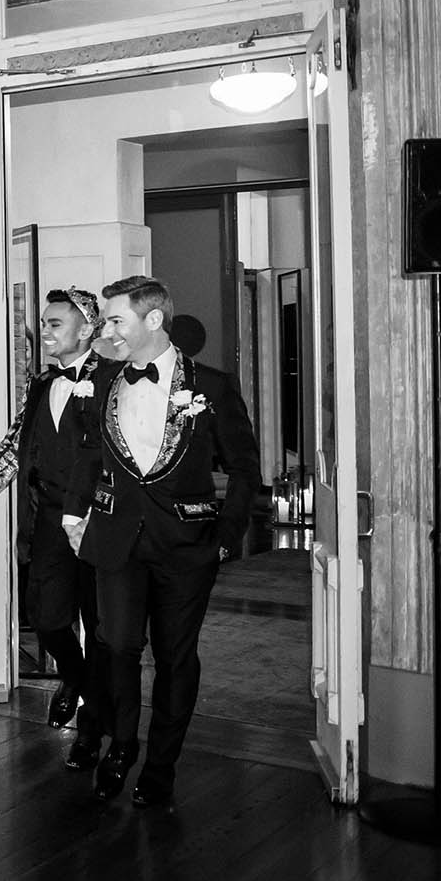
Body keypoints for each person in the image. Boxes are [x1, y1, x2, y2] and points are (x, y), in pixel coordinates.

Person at [65, 275, 259, 809]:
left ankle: (161, 765)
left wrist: (225, 536)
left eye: (114, 320)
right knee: (117, 647)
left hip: (187, 546)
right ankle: (122, 746)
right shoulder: (101, 379)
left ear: (153, 320)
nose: (106, 331)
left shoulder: (212, 386)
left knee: (176, 659)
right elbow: (86, 454)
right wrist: (72, 517)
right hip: (115, 543)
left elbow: (245, 468)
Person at [0, 288, 107, 770]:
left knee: (100, 629)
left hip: (100, 525)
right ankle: (73, 677)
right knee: (49, 617)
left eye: (55, 323)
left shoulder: (115, 381)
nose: (45, 332)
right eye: (44, 323)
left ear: (86, 329)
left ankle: (92, 732)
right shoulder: (40, 385)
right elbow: (13, 450)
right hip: (49, 523)